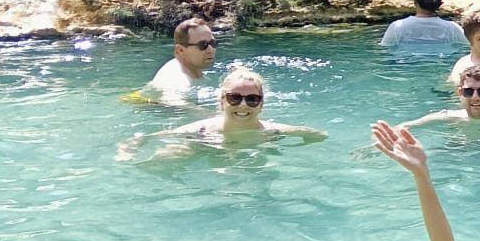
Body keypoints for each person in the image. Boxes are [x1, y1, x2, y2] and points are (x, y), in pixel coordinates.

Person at [121, 65, 328, 157]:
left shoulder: (273, 132)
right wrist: (135, 144)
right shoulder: (203, 129)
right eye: (235, 98)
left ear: (261, 104)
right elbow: (157, 136)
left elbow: (318, 135)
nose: (243, 105)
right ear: (222, 102)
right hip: (207, 148)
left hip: (255, 163)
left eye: (252, 99)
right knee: (172, 156)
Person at [380, 0, 467, 49]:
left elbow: (385, 51)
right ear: (439, 1)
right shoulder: (453, 28)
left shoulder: (397, 27)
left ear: (414, 0)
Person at [145, 17, 218, 103]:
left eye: (212, 43)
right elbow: (173, 101)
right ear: (180, 50)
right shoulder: (178, 79)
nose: (210, 50)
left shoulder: (190, 70)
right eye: (203, 45)